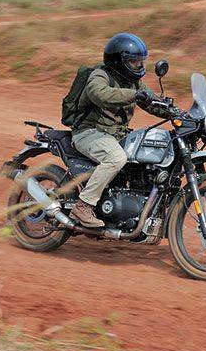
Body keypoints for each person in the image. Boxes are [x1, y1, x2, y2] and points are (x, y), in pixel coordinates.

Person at [69, 33, 161, 227]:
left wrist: (175, 111)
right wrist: (135, 95)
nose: (139, 66)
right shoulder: (100, 75)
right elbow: (101, 94)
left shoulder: (134, 82)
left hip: (114, 135)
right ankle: (83, 206)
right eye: (134, 62)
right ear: (119, 61)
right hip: (89, 132)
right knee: (116, 158)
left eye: (141, 61)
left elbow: (150, 100)